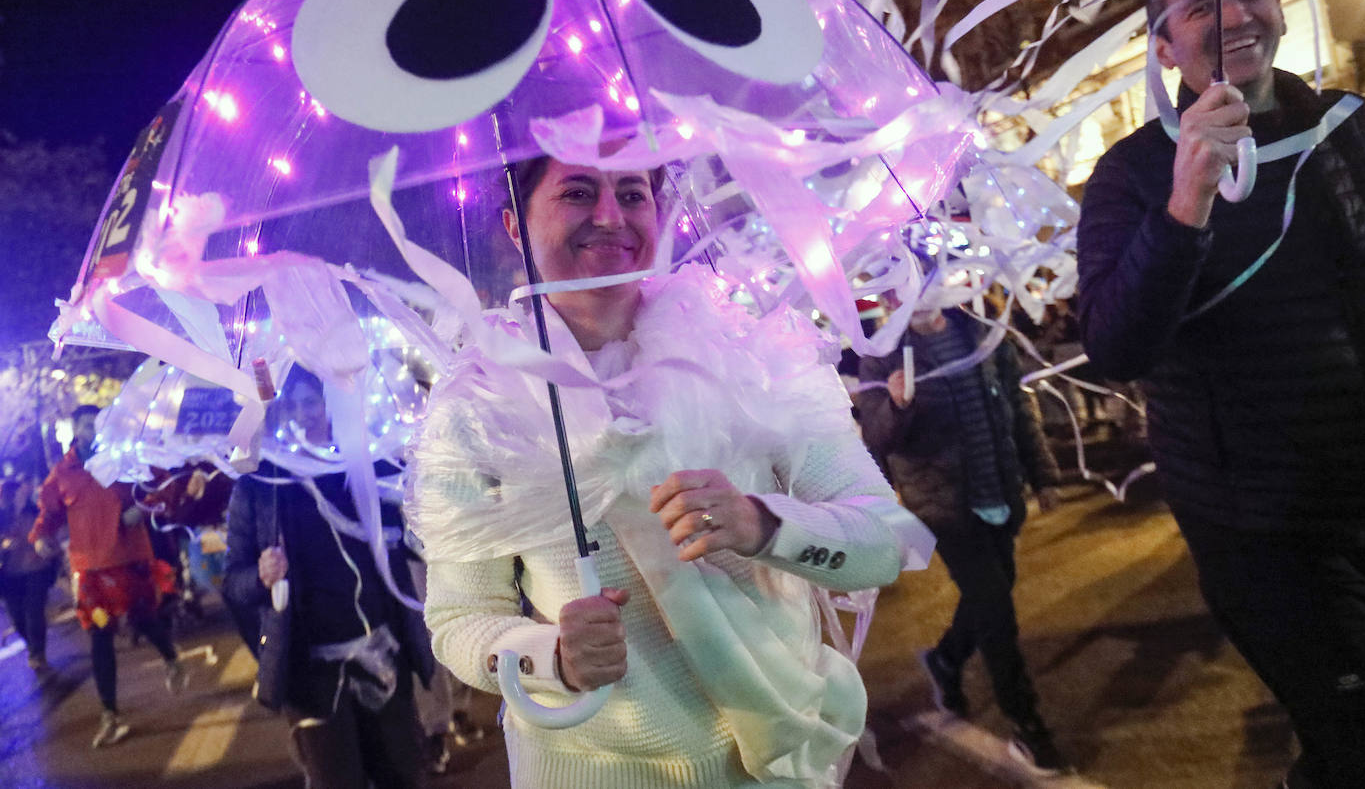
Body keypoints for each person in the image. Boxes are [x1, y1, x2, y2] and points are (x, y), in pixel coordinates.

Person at [408, 156, 928, 788]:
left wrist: (762, 524)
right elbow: (460, 619)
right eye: (577, 192)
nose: (610, 216)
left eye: (632, 192)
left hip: (782, 760)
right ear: (516, 225)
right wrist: (552, 659)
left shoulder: (756, 353)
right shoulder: (477, 408)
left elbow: (885, 541)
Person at [1077, 0, 1365, 789]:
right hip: (1264, 529)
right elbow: (1115, 345)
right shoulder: (1130, 174)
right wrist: (1185, 202)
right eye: (1203, 5)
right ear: (1163, 45)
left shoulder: (1344, 129)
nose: (1239, 16)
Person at [854, 306, 1069, 776]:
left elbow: (1016, 407)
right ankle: (1029, 726)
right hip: (944, 507)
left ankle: (947, 659)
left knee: (992, 593)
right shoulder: (883, 354)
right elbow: (876, 438)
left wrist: (1044, 475)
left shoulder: (983, 330)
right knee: (996, 611)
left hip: (1001, 495)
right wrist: (897, 407)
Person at [223, 370, 434, 789]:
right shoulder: (261, 486)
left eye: (313, 402)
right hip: (312, 675)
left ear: (330, 406)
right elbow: (233, 583)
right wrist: (262, 575)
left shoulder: (365, 466)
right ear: (280, 412)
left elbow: (415, 538)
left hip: (385, 655)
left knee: (404, 776)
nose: (306, 414)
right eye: (295, 404)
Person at [28, 404, 187, 748]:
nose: (92, 431)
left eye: (97, 425)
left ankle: (172, 658)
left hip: (130, 558)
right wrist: (41, 536)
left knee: (144, 621)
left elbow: (166, 486)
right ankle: (110, 714)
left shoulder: (125, 457)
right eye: (86, 425)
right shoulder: (63, 473)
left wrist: (142, 508)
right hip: (89, 568)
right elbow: (50, 513)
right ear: (75, 429)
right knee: (100, 636)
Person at [0, 471, 60, 676]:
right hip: (9, 575)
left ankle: (37, 653)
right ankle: (33, 646)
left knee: (34, 612)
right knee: (18, 618)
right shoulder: (3, 519)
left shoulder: (34, 513)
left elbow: (50, 533)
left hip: (36, 569)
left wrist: (49, 550)